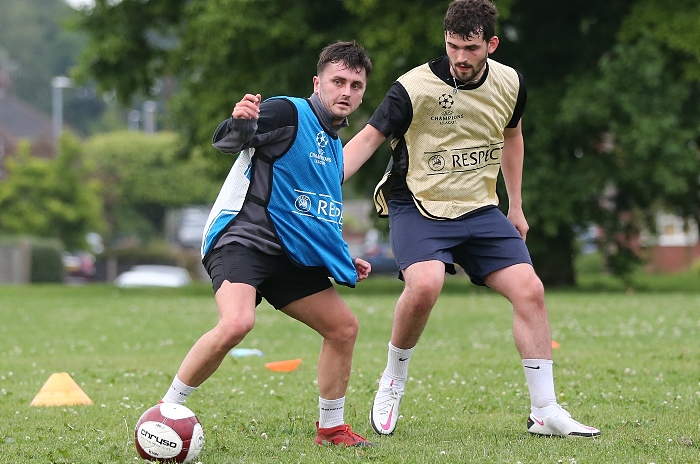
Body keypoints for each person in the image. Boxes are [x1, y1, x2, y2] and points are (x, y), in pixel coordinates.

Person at [343, 0, 600, 438]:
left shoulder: (511, 82)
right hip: (418, 202)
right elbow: (367, 139)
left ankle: (545, 411)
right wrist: (323, 188)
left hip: (479, 207)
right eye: (453, 46)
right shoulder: (413, 87)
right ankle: (392, 380)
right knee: (425, 285)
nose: (460, 57)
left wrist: (515, 205)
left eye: (471, 47)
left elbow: (513, 135)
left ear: (491, 45)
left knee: (531, 291)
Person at [159, 41, 376, 447]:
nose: (346, 91)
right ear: (318, 82)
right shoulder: (288, 111)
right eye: (338, 81)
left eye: (356, 85)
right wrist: (239, 122)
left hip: (287, 255)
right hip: (242, 238)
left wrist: (342, 257)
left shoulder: (330, 147)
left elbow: (313, 214)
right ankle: (165, 412)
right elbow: (229, 142)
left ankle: (331, 430)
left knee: (343, 328)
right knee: (238, 323)